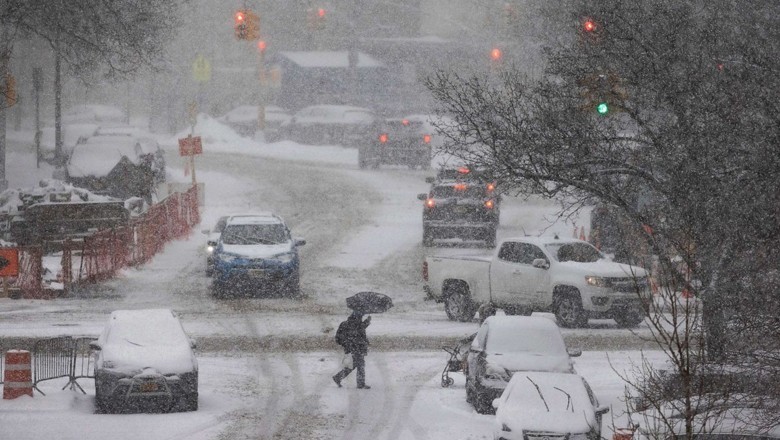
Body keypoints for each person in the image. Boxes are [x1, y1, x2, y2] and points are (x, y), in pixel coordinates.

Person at [333, 310, 372, 389]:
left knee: (354, 365)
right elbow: (360, 330)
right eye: (360, 317)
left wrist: (367, 321)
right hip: (356, 348)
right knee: (360, 365)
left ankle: (338, 377)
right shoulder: (356, 325)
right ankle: (360, 384)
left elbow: (338, 337)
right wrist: (367, 321)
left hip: (352, 348)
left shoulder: (345, 324)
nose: (360, 318)